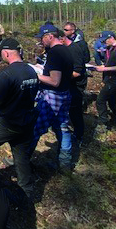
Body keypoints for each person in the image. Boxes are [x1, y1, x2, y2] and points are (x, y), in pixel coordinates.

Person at [0, 38, 39, 199]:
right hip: (27, 121)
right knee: (21, 158)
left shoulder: (6, 74)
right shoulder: (31, 70)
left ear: (6, 53)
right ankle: (27, 192)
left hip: (9, 122)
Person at [31, 25, 74, 171]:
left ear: (50, 36)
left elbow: (54, 81)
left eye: (42, 38)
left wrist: (35, 75)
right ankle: (65, 162)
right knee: (62, 126)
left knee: (34, 129)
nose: (41, 41)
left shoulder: (55, 53)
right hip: (64, 94)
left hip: (52, 98)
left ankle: (22, 159)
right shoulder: (65, 49)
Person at [94, 31, 116, 132]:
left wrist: (104, 69)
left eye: (105, 40)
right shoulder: (110, 49)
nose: (104, 43)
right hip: (109, 79)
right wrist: (102, 66)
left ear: (111, 38)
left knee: (100, 100)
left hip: (115, 80)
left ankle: (103, 123)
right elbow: (109, 63)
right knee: (114, 101)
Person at [59, 32, 87, 146]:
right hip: (70, 85)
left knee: (76, 112)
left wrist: (60, 77)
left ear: (62, 39)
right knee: (72, 111)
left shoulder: (74, 49)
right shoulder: (67, 49)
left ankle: (79, 136)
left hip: (76, 86)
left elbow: (77, 72)